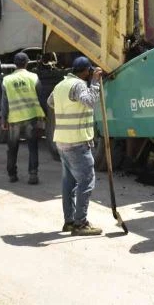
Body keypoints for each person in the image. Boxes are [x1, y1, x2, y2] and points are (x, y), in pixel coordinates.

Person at [47, 56, 103, 236]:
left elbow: (50, 102)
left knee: (69, 183)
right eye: (89, 72)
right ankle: (80, 223)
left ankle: (70, 221)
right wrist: (95, 82)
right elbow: (90, 101)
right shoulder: (78, 85)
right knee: (86, 181)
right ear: (86, 71)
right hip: (77, 142)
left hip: (62, 141)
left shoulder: (60, 85)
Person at [1, 52, 45, 184]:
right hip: (30, 117)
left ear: (15, 64)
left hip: (14, 119)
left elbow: (5, 102)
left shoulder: (7, 80)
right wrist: (43, 116)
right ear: (27, 63)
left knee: (12, 147)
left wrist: (4, 119)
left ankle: (12, 175)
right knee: (32, 146)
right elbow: (40, 96)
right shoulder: (33, 77)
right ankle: (33, 175)